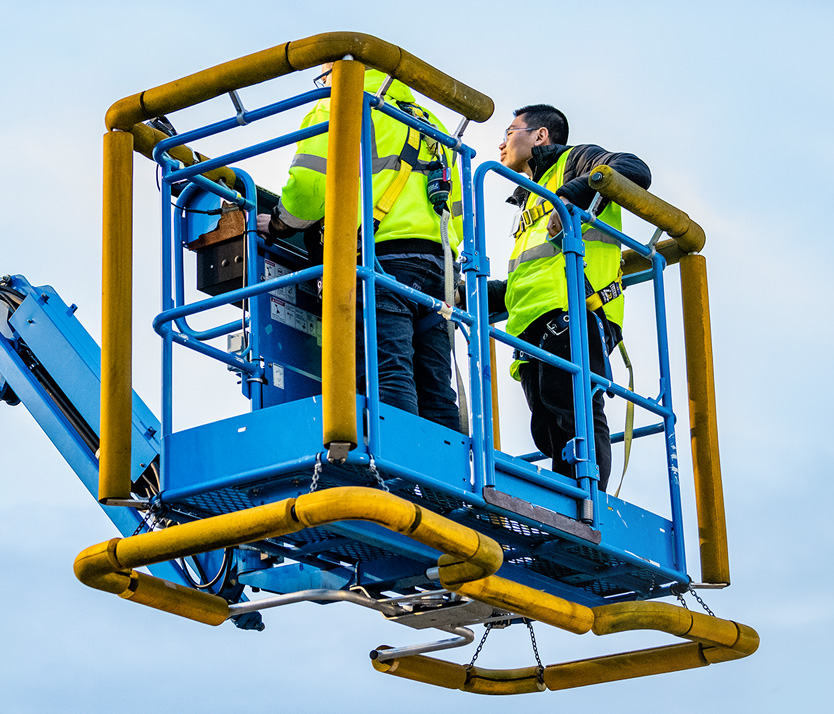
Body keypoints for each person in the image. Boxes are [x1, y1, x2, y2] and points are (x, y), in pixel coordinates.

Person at [259, 64, 464, 431]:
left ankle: (397, 474)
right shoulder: (435, 124)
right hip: (439, 267)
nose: (323, 85)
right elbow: (459, 213)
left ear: (335, 74)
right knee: (436, 386)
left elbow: (307, 188)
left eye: (323, 77)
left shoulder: (340, 103)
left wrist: (278, 222)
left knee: (387, 369)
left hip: (378, 257)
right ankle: (443, 485)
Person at [490, 104, 651, 491]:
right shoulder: (529, 198)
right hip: (529, 325)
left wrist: (572, 194)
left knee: (574, 408)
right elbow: (531, 273)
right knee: (546, 426)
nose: (501, 143)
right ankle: (568, 495)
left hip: (576, 311)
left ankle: (588, 502)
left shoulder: (572, 162)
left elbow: (635, 169)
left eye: (511, 131)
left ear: (540, 136)